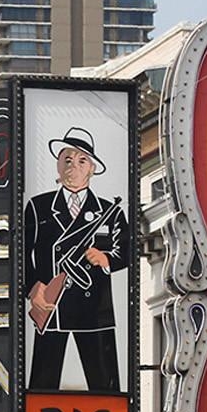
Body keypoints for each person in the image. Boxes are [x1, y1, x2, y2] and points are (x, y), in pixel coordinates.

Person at [22, 125, 131, 393]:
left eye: (82, 160)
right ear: (58, 165)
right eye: (67, 159)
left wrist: (105, 258)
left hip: (95, 311)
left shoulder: (109, 210)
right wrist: (33, 288)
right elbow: (21, 252)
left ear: (92, 168)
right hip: (51, 306)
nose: (73, 165)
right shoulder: (39, 206)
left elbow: (126, 252)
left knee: (106, 391)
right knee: (40, 391)